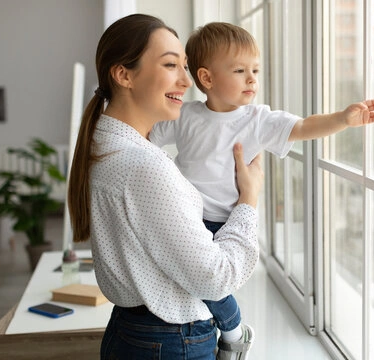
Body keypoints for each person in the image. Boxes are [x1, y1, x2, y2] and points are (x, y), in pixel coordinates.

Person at [149, 21, 374, 359]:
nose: (252, 79)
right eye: (240, 70)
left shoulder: (257, 119)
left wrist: (343, 119)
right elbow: (145, 137)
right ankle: (229, 331)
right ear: (207, 79)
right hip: (187, 221)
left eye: (255, 70)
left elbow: (303, 126)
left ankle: (233, 330)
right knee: (188, 283)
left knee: (207, 284)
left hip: (229, 224)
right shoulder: (185, 115)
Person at [67, 14, 264, 360]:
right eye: (171, 65)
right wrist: (248, 200)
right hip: (171, 342)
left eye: (185, 66)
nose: (187, 81)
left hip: (134, 333)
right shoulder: (143, 167)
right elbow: (216, 279)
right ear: (124, 74)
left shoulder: (105, 143)